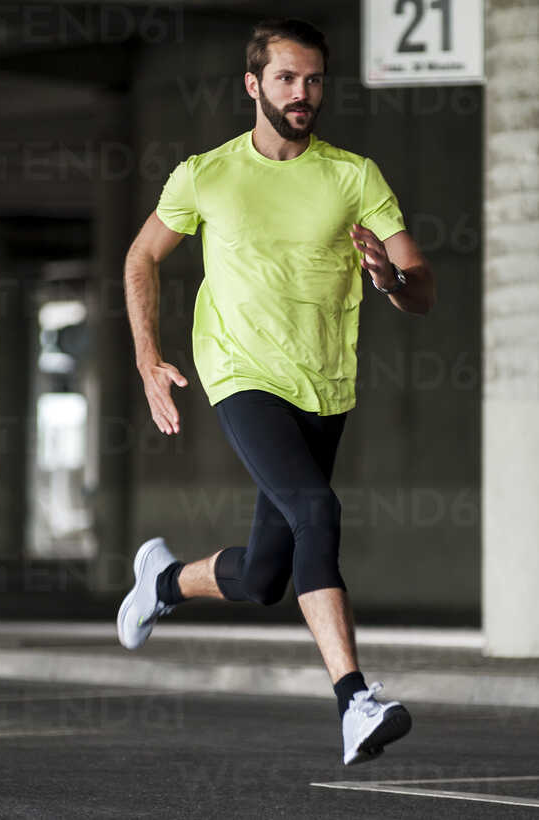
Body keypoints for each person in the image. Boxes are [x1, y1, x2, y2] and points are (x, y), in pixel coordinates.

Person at [116, 18, 435, 766]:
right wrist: (146, 356)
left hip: (325, 383)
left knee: (265, 576)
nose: (303, 93)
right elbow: (141, 256)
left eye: (315, 79)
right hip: (240, 375)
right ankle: (355, 699)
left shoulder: (355, 177)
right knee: (318, 510)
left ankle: (164, 579)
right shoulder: (206, 174)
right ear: (254, 85)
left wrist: (387, 279)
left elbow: (419, 288)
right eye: (287, 79)